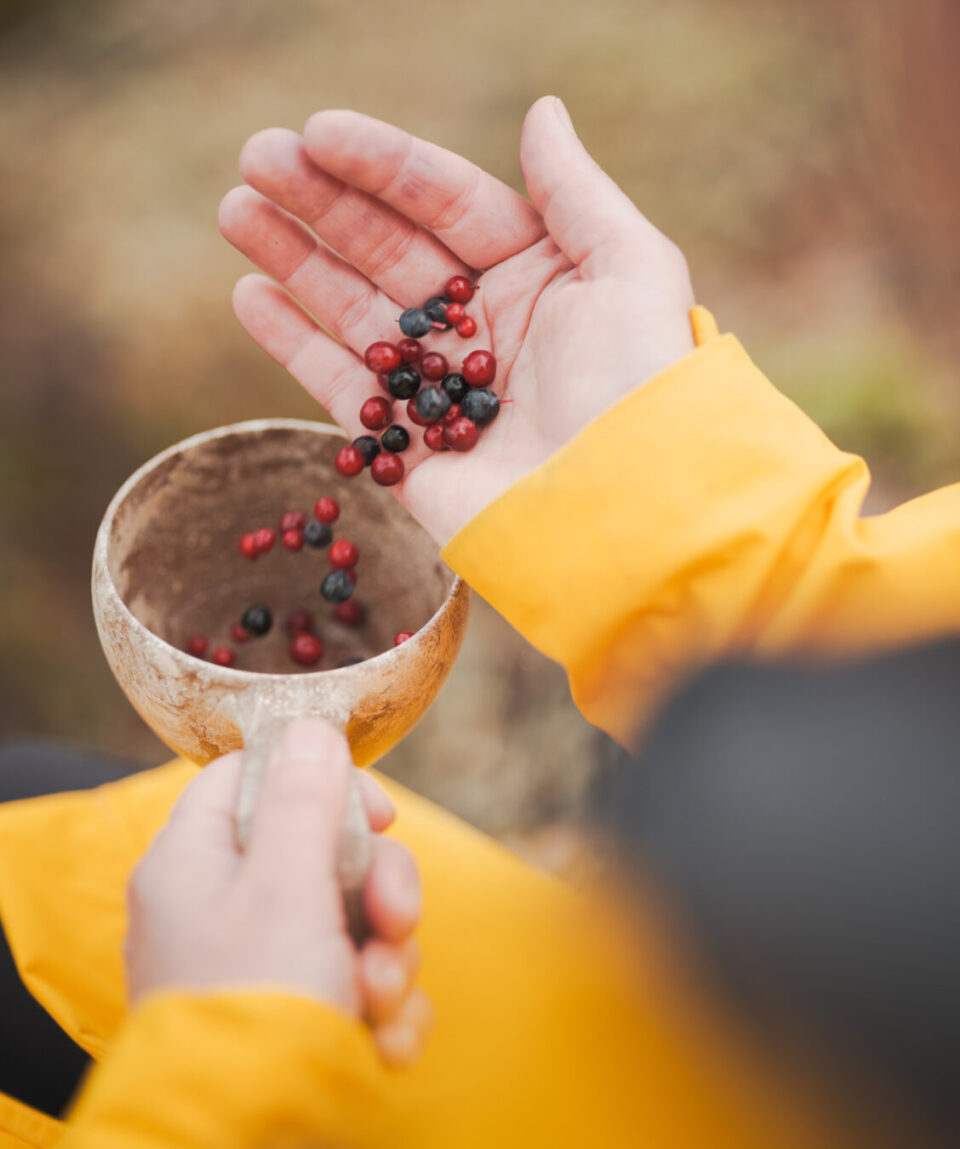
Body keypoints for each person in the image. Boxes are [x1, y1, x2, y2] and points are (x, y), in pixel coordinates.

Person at [1, 96, 959, 1146]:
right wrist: (689, 527)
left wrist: (231, 1055)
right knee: (48, 831)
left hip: (284, 1074)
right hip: (620, 1027)